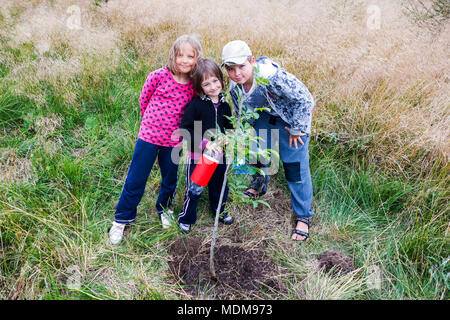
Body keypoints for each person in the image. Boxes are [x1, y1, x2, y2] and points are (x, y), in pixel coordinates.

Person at [108, 34, 203, 245]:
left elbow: (195, 111)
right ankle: (121, 219)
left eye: (191, 56)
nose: (185, 60)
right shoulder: (159, 76)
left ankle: (165, 208)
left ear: (197, 59)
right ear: (173, 55)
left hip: (174, 141)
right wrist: (151, 123)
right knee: (136, 178)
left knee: (170, 178)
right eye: (181, 55)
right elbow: (144, 100)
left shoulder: (194, 85)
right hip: (149, 136)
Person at [221, 40, 315, 241]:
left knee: (294, 167)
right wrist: (243, 134)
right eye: (231, 69)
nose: (237, 73)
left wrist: (298, 129)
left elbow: (304, 99)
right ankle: (259, 184)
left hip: (290, 121)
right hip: (263, 118)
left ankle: (303, 216)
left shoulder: (271, 76)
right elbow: (240, 113)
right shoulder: (235, 87)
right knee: (257, 156)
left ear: (252, 61)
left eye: (242, 66)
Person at [177, 58, 234, 234]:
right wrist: (205, 143)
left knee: (219, 184)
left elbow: (229, 127)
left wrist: (228, 138)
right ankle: (186, 217)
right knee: (195, 187)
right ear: (200, 87)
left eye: (215, 81)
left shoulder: (225, 105)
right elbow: (185, 129)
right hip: (198, 154)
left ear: (221, 80)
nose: (212, 87)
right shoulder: (196, 105)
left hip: (219, 154)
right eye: (206, 84)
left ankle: (219, 210)